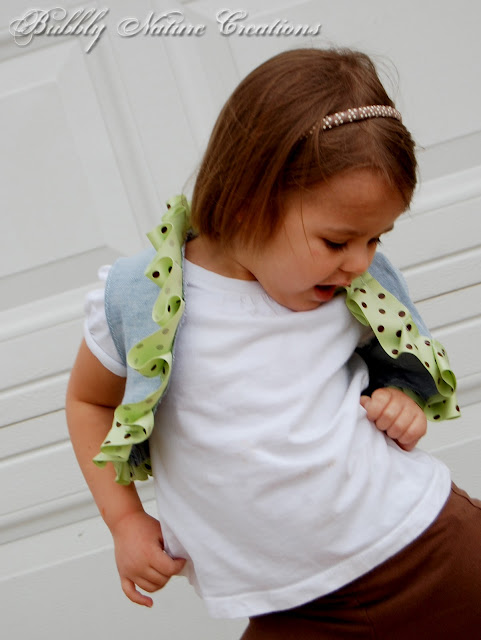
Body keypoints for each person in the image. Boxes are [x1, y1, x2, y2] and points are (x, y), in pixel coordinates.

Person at [66, 48, 481, 639]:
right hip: (291, 611)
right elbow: (89, 401)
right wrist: (124, 520)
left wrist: (403, 401)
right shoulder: (144, 297)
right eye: (337, 241)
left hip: (432, 550)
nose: (360, 262)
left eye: (375, 239)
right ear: (246, 202)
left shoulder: (357, 289)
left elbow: (402, 366)